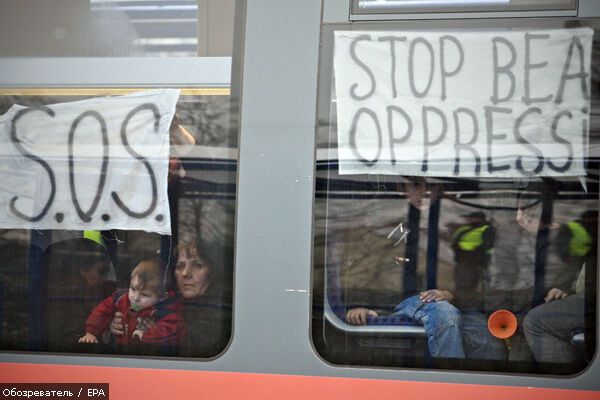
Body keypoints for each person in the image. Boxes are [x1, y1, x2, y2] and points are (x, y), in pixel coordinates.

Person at [345, 177, 504, 359]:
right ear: (401, 187)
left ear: (441, 188)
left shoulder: (458, 224)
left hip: (455, 302)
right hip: (407, 301)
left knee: (488, 336)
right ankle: (449, 382)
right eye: (416, 185)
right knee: (444, 313)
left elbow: (474, 277)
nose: (424, 192)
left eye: (432, 185)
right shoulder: (388, 226)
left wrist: (450, 293)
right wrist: (364, 306)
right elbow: (371, 273)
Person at [110, 241, 231, 357]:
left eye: (197, 265)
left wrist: (158, 333)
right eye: (180, 266)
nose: (185, 273)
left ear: (213, 271)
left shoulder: (222, 312)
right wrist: (121, 326)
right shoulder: (163, 302)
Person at [523, 210, 597, 365]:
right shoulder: (581, 230)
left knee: (535, 321)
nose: (519, 219)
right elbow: (579, 264)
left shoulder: (572, 232)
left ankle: (561, 378)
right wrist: (565, 288)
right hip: (586, 293)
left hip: (592, 299)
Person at [79, 258, 183, 346]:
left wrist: (144, 336)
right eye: (133, 289)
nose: (135, 298)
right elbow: (102, 311)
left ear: (161, 297)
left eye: (144, 295)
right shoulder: (122, 299)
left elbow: (170, 331)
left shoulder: (165, 312)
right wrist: (91, 333)